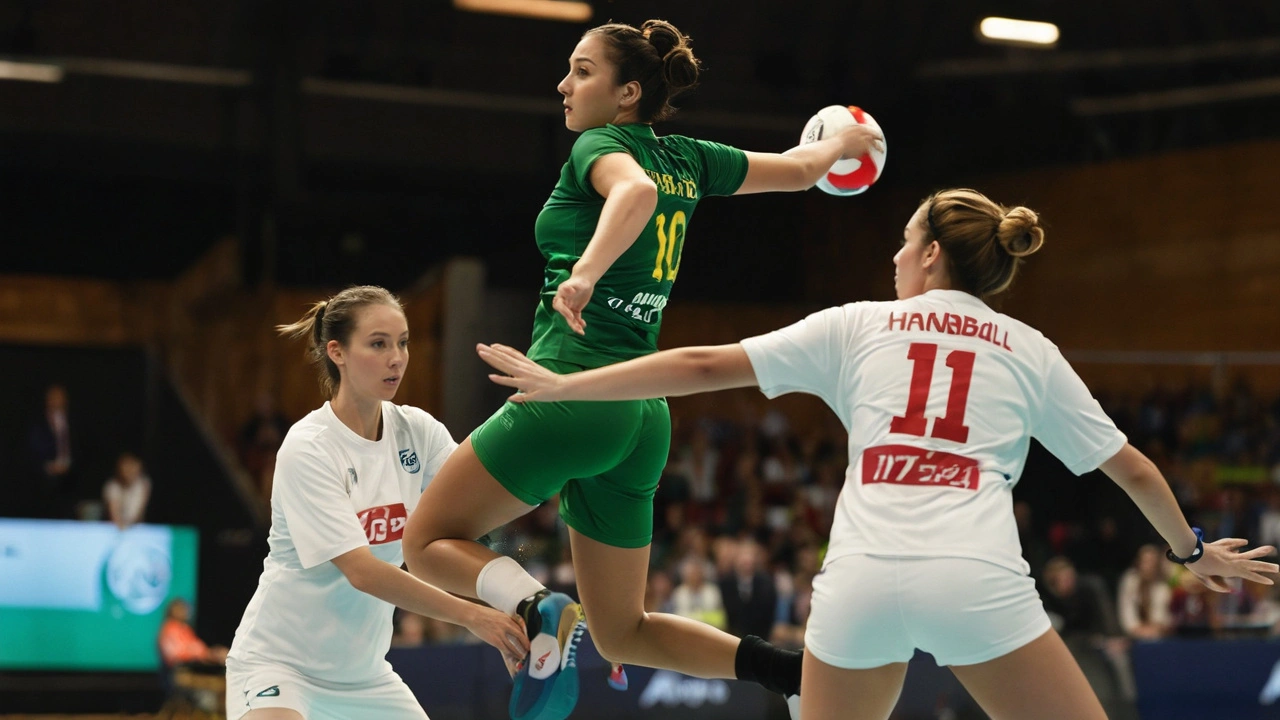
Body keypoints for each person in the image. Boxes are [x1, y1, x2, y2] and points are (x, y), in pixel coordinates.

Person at [473, 187, 1280, 720]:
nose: (893, 256)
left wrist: (568, 386)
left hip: (857, 586)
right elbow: (1131, 467)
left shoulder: (858, 323)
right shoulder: (1029, 347)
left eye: (904, 241)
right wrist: (1193, 551)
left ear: (931, 253)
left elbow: (699, 366)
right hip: (975, 581)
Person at [401, 18, 882, 720]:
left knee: (426, 543)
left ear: (627, 92)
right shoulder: (690, 158)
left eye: (582, 70)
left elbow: (634, 195)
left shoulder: (601, 145)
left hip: (572, 390)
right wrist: (846, 142)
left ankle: (540, 608)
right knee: (625, 629)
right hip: (642, 417)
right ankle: (789, 672)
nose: (565, 84)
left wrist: (585, 275)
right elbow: (804, 171)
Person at [224, 286, 528, 720]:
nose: (397, 358)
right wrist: (475, 618)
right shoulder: (309, 447)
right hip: (279, 665)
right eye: (378, 344)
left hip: (365, 678)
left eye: (403, 342)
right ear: (338, 352)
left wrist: (536, 427)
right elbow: (362, 572)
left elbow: (483, 509)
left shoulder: (417, 432)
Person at [27, 383, 78, 518]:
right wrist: (49, 467)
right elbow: (33, 452)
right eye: (52, 398)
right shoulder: (39, 424)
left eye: (59, 397)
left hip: (71, 475)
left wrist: (68, 465)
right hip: (45, 477)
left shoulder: (74, 422)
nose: (56, 401)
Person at [103, 452, 152, 529]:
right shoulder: (112, 486)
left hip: (137, 528)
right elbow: (114, 514)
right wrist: (121, 526)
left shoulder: (143, 484)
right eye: (126, 465)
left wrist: (129, 526)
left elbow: (138, 513)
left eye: (132, 465)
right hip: (115, 528)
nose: (129, 470)